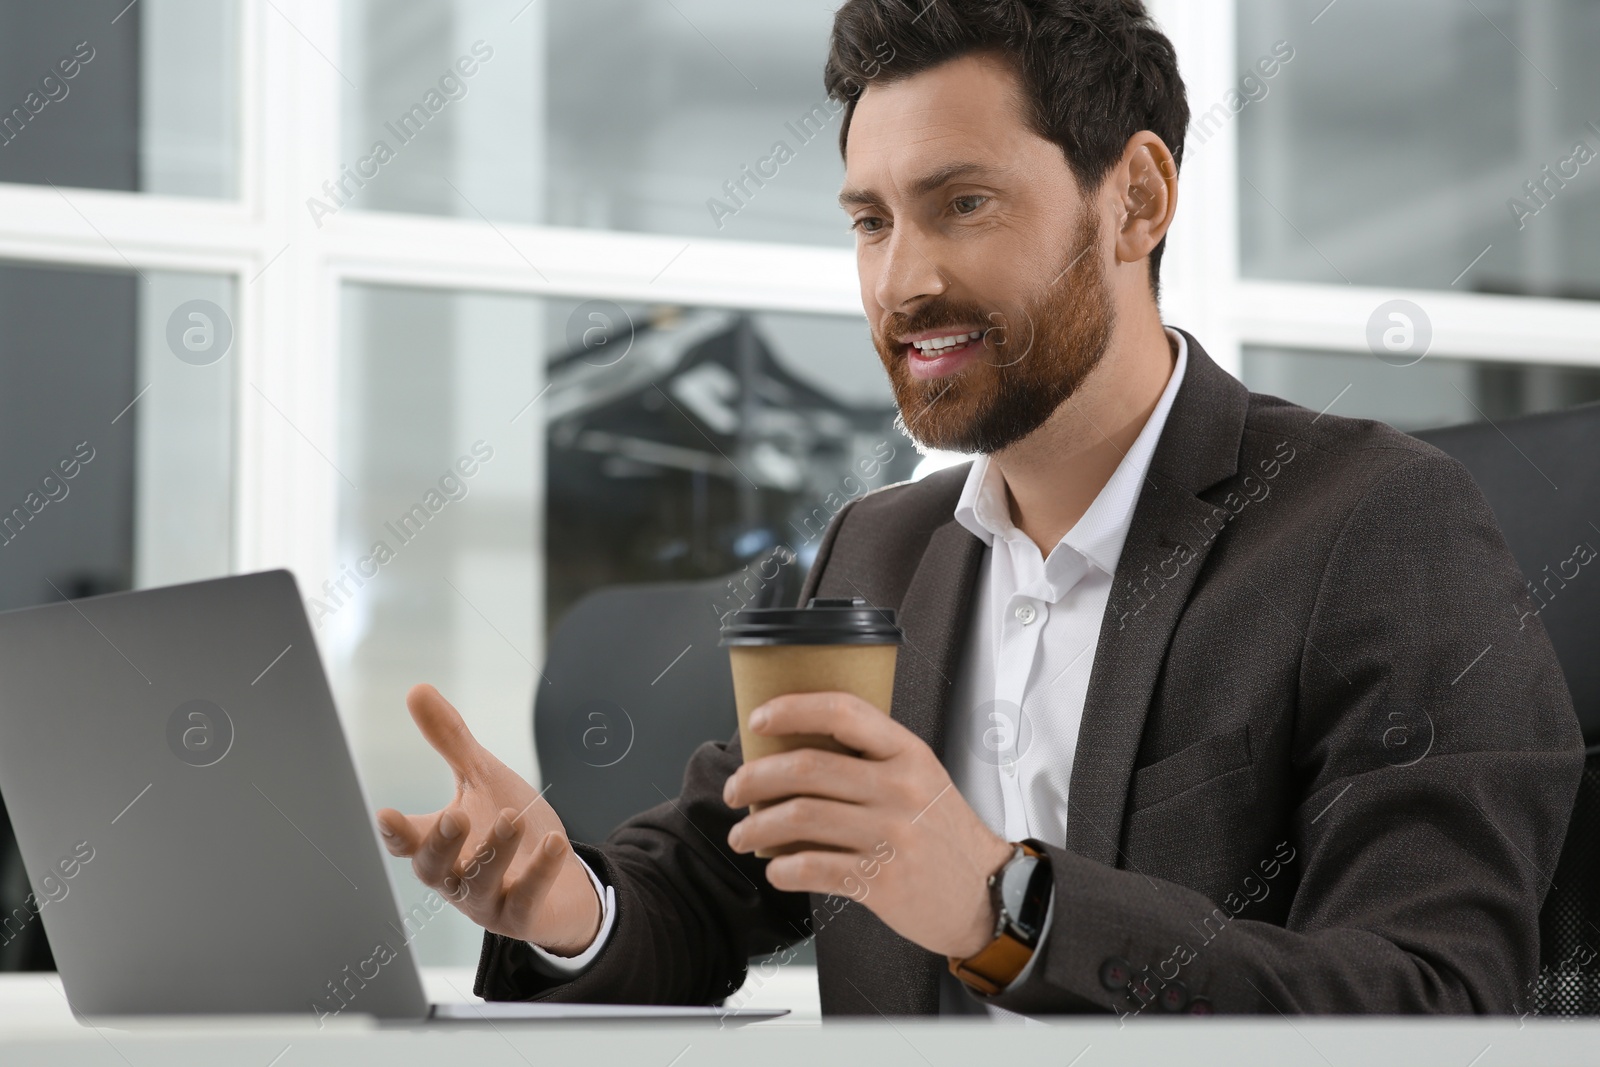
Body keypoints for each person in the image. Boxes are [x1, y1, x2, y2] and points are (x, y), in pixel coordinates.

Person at [375, 0, 1582, 1017]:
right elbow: (712, 873)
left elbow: (1438, 1001)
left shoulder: (1373, 525)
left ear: (1137, 199)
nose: (902, 280)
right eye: (870, 221)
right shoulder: (880, 547)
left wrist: (1004, 905)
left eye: (963, 204)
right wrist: (563, 904)